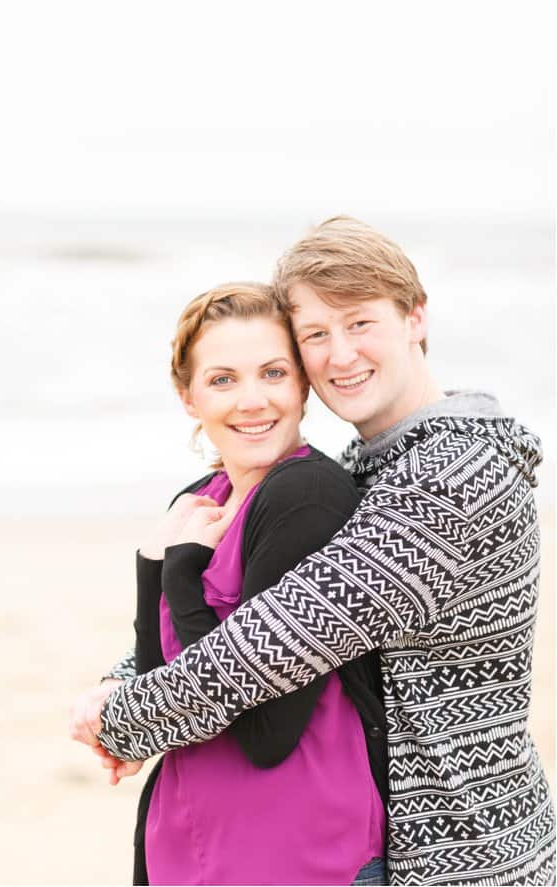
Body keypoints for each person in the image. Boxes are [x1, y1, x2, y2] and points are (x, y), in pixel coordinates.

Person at [71, 217, 556, 885]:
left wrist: (121, 719)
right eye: (316, 335)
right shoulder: (376, 464)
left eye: (359, 323)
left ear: (415, 318)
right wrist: (123, 679)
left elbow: (272, 644)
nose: (340, 355)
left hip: (466, 846)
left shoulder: (454, 476)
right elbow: (265, 609)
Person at [98, 283, 389, 885]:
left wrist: (177, 570)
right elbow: (164, 692)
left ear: (303, 384)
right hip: (190, 845)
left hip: (301, 854)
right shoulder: (199, 502)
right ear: (188, 396)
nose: (252, 401)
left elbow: (268, 732)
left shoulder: (305, 497)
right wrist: (152, 562)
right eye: (223, 379)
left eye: (273, 373)